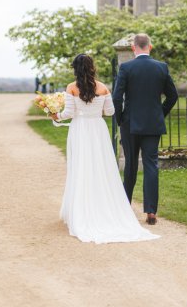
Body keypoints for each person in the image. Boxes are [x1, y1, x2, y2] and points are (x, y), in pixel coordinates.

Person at [52, 54, 158, 244]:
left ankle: (82, 210)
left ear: (75, 68)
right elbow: (110, 112)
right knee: (101, 167)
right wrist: (96, 109)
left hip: (80, 130)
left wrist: (55, 116)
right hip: (98, 130)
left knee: (81, 167)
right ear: (92, 67)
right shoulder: (103, 88)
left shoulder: (71, 88)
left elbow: (68, 113)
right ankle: (103, 208)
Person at [112, 33, 178, 225]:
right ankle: (150, 211)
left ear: (133, 48)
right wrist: (160, 113)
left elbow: (117, 97)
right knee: (151, 165)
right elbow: (173, 97)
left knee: (131, 166)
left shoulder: (126, 67)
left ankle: (125, 208)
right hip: (153, 124)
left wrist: (121, 118)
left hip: (130, 124)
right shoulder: (161, 67)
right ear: (150, 47)